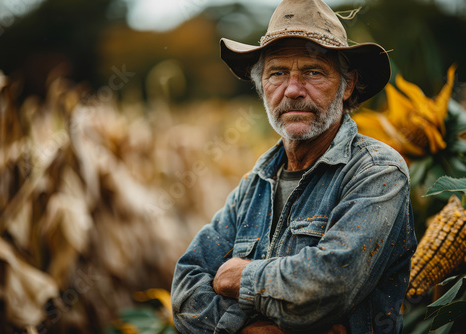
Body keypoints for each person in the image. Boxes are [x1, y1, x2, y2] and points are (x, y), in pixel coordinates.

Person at [171, 0, 417, 333]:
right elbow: (186, 288)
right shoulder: (255, 184)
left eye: (313, 72)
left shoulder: (377, 172)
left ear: (347, 85)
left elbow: (332, 283)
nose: (293, 90)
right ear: (262, 87)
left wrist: (235, 277)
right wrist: (255, 330)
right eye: (277, 73)